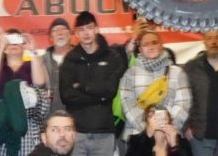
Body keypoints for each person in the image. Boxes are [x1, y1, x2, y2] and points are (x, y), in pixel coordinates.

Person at [57, 11, 127, 156]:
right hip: (75, 132)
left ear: (96, 29)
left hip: (104, 132)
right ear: (76, 34)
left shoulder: (112, 56)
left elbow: (111, 90)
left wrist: (82, 86)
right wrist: (100, 96)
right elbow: (66, 96)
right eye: (81, 30)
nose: (86, 33)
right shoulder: (70, 59)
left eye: (89, 28)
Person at [119, 30, 191, 139]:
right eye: (145, 44)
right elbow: (127, 104)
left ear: (161, 45)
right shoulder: (130, 74)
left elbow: (183, 104)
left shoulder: (177, 72)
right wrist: (147, 129)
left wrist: (166, 127)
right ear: (140, 49)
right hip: (137, 137)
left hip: (169, 136)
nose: (151, 47)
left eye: (154, 42)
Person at [181, 30, 218, 156]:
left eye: (217, 38)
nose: (214, 42)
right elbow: (183, 99)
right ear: (204, 42)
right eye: (209, 38)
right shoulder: (191, 68)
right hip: (201, 138)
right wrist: (186, 128)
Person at [0, 28, 48, 106]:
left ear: (23, 46)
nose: (13, 44)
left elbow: (39, 84)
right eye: (9, 41)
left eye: (17, 41)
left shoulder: (32, 65)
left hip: (26, 111)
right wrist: (0, 49)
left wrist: (32, 50)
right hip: (0, 111)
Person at [0, 79, 50, 156]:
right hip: (5, 148)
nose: (27, 94)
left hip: (32, 146)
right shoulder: (1, 109)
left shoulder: (35, 106)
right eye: (25, 92)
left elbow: (43, 108)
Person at [126, 105, 191, 156]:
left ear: (169, 121)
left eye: (161, 114)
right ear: (147, 122)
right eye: (151, 114)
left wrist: (174, 147)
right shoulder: (135, 142)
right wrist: (148, 135)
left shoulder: (183, 144)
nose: (158, 117)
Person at [42, 18, 74, 114]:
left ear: (70, 35)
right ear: (50, 38)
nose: (60, 33)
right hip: (48, 117)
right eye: (55, 30)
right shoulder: (41, 61)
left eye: (63, 29)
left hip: (76, 116)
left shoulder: (81, 58)